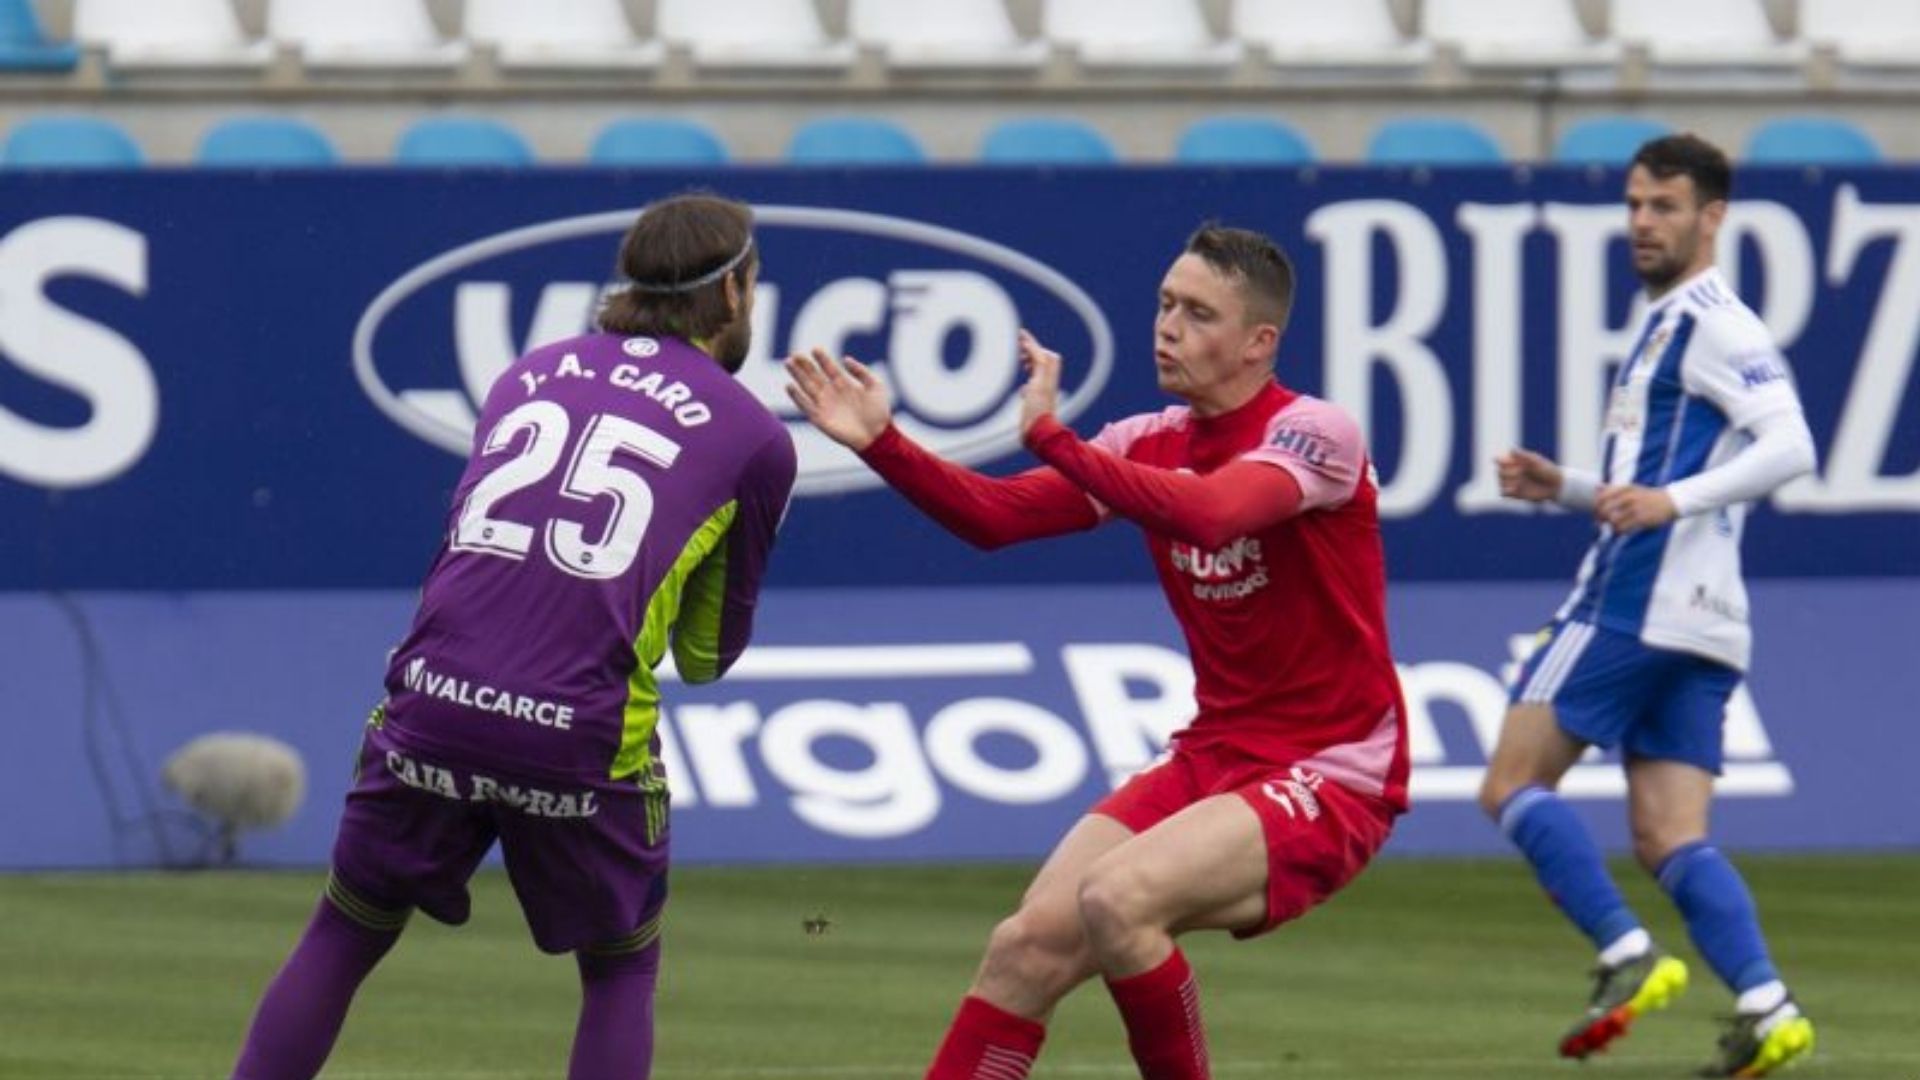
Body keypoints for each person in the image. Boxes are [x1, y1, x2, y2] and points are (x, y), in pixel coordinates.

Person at [785, 223, 1409, 1080]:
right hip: (1216, 753)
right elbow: (995, 519)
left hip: (1334, 769)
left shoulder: (1317, 433)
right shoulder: (1142, 440)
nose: (1168, 327)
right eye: (1163, 305)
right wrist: (883, 445)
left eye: (1197, 313)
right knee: (1026, 946)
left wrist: (1054, 440)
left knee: (1119, 900)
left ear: (1260, 342)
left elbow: (1214, 513)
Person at [231, 193, 796, 1080]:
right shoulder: (754, 437)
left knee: (346, 927)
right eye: (754, 285)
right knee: (619, 969)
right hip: (578, 730)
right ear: (729, 294)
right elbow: (705, 656)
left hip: (435, 701)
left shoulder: (531, 372)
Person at [1479, 134, 1818, 1077]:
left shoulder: (1713, 321)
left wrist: (1672, 503)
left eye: (1664, 206)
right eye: (1634, 204)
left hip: (1634, 597)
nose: (1641, 223)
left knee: (1510, 783)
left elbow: (1791, 447)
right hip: (1706, 620)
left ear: (1712, 217)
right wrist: (1569, 487)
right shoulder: (1673, 322)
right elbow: (1660, 479)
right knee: (1671, 835)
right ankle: (1768, 1005)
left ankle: (1627, 951)